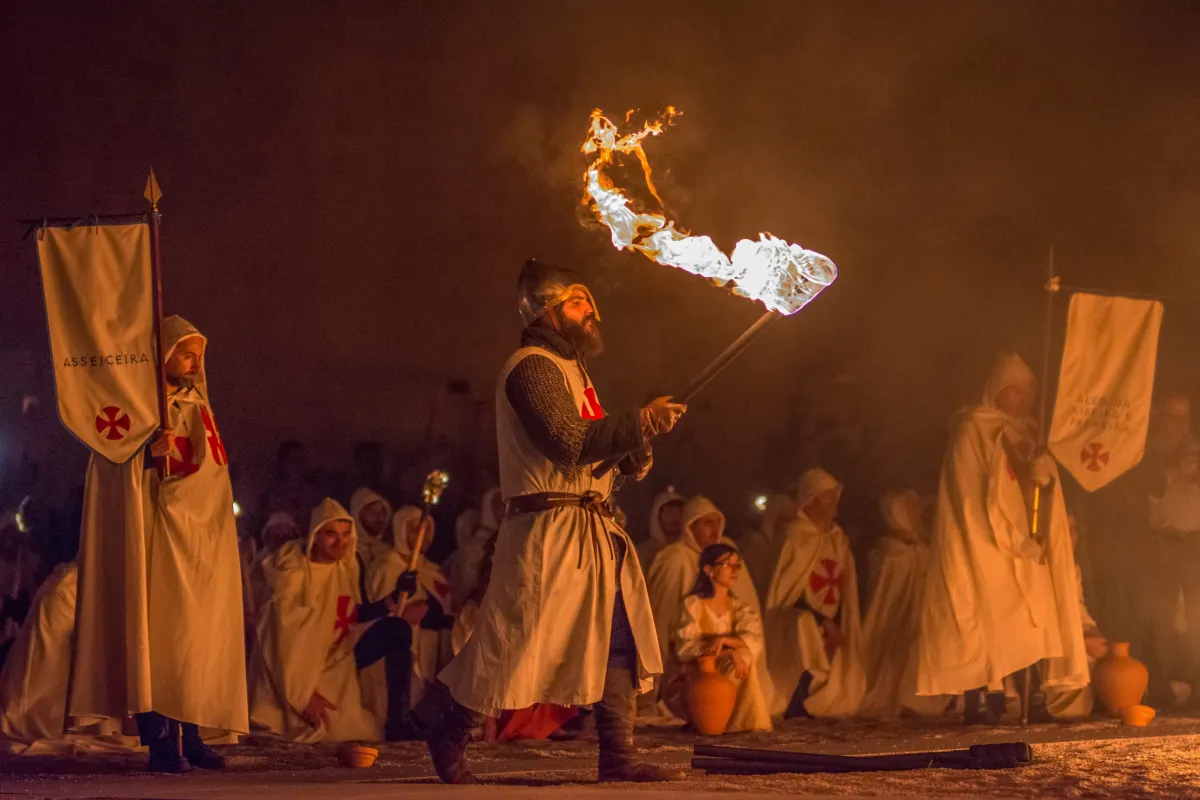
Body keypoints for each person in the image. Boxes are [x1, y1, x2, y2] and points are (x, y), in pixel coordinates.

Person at [420, 258, 687, 784]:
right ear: (547, 310)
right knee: (511, 642)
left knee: (618, 637)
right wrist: (636, 422)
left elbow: (592, 461)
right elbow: (566, 445)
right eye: (578, 302)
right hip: (546, 533)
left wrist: (633, 448)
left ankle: (617, 756)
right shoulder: (531, 366)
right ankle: (447, 731)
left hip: (590, 529)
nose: (592, 312)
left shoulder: (576, 374)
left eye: (589, 302)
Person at [68, 315, 247, 772]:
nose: (194, 362)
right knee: (156, 637)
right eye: (187, 352)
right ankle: (161, 741)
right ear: (163, 352)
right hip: (152, 538)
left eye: (198, 355)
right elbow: (107, 466)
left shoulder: (197, 404)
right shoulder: (137, 405)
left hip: (198, 543)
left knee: (193, 638)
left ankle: (193, 733)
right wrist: (146, 456)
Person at [915, 354, 1088, 724]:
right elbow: (971, 494)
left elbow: (1030, 486)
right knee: (981, 619)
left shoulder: (1024, 431)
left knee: (1036, 617)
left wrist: (1044, 477)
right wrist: (1010, 537)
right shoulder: (971, 429)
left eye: (1029, 392)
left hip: (1026, 545)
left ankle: (1034, 696)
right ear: (999, 391)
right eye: (1017, 392)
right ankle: (978, 699)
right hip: (981, 545)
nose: (1024, 399)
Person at [249, 498, 426, 742]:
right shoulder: (292, 575)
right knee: (334, 731)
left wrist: (395, 595)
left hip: (339, 655)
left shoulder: (346, 568)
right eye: (331, 534)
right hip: (300, 666)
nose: (340, 542)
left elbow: (351, 613)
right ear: (315, 536)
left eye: (345, 535)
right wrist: (302, 695)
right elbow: (278, 642)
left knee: (397, 630)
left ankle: (400, 721)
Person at [647, 496, 767, 710]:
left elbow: (746, 608)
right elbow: (660, 617)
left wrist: (729, 642)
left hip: (724, 643)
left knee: (742, 659)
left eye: (716, 522)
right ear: (690, 526)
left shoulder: (727, 554)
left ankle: (735, 710)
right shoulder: (673, 558)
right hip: (688, 652)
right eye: (706, 523)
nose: (714, 529)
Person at [764, 468, 866, 718]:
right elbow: (788, 591)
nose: (834, 501)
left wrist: (839, 621)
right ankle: (797, 701)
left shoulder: (838, 539)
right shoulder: (795, 536)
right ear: (811, 498)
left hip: (830, 618)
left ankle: (818, 700)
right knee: (805, 627)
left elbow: (844, 586)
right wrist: (822, 621)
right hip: (794, 618)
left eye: (835, 495)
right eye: (827, 496)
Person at [663, 543, 771, 732]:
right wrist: (726, 654)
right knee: (737, 657)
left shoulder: (738, 608)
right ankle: (712, 717)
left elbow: (753, 637)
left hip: (724, 668)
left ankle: (733, 719)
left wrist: (723, 641)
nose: (735, 570)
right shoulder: (693, 605)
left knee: (744, 655)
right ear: (709, 570)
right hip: (691, 674)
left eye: (738, 565)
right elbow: (685, 649)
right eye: (728, 564)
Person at [858, 490, 948, 718]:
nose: (916, 514)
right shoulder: (889, 551)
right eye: (910, 509)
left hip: (919, 614)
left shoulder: (920, 547)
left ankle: (916, 700)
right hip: (893, 619)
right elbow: (885, 594)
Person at [366, 505, 456, 732]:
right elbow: (385, 616)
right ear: (400, 529)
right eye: (415, 530)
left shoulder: (431, 569)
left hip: (434, 650)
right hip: (406, 652)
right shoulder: (387, 565)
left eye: (427, 529)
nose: (423, 536)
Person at [1146, 394, 1200, 701]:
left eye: (1185, 418)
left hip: (1194, 543)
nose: (1179, 425)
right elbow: (1145, 493)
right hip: (1162, 543)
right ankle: (1162, 686)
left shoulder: (1196, 449)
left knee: (1197, 619)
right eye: (1173, 418)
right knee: (1162, 619)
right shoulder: (1149, 452)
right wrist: (1175, 473)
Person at [446, 487, 502, 612]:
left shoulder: (507, 540)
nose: (504, 510)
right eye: (499, 505)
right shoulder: (474, 547)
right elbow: (466, 584)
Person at [740, 493, 798, 605]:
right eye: (785, 520)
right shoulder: (755, 543)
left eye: (792, 521)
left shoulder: (795, 546)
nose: (788, 526)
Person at [255, 441, 323, 537]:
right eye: (291, 460)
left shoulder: (313, 494)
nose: (296, 464)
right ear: (282, 464)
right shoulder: (272, 495)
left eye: (299, 459)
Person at [636, 488, 684, 572]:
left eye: (680, 512)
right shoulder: (642, 553)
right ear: (658, 515)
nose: (676, 518)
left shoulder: (689, 553)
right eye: (670, 513)